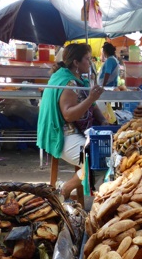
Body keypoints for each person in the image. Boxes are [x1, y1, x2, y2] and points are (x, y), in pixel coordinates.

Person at [37, 43, 107, 200]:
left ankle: (91, 190)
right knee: (95, 160)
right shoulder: (68, 83)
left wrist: (102, 119)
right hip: (63, 136)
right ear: (76, 62)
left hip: (77, 133)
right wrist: (90, 99)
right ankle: (65, 189)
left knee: (106, 156)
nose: (90, 63)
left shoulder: (76, 80)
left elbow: (93, 107)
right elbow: (68, 115)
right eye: (87, 60)